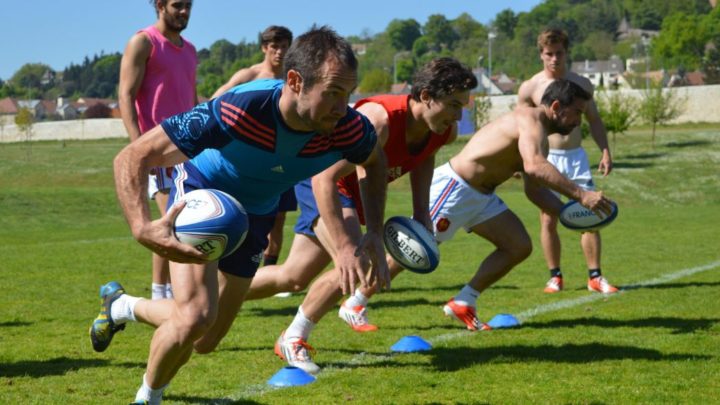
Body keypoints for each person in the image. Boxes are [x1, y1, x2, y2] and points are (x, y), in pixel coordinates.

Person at [88, 27, 389, 404]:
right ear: (294, 81)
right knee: (195, 316)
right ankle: (148, 397)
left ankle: (122, 306)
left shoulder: (347, 128)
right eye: (332, 92)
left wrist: (374, 231)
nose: (342, 106)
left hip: (257, 216)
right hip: (203, 194)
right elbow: (132, 157)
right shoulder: (239, 108)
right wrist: (140, 227)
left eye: (348, 93)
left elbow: (375, 162)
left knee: (205, 340)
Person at [247, 58, 477, 374]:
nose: (458, 115)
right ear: (425, 96)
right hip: (321, 179)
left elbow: (423, 156)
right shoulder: (379, 121)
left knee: (293, 276)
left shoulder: (443, 130)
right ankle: (293, 337)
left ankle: (219, 296)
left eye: (462, 106)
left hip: (350, 193)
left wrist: (421, 212)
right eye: (453, 104)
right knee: (358, 260)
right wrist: (353, 244)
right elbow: (323, 178)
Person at [517, 28, 618, 294]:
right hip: (547, 157)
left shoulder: (582, 84)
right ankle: (555, 276)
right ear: (541, 54)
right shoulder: (530, 87)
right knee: (548, 218)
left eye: (559, 53)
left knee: (590, 213)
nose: (554, 59)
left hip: (576, 158)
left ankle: (595, 277)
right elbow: (521, 125)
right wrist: (521, 161)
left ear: (566, 52)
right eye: (549, 54)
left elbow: (594, 120)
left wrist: (605, 150)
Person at [118, 0, 198, 300]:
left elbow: (192, 101)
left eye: (189, 5)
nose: (185, 11)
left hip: (188, 152)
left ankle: (167, 293)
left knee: (180, 221)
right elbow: (125, 95)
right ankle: (161, 294)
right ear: (160, 5)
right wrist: (139, 148)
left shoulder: (190, 50)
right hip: (157, 151)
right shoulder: (143, 42)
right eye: (178, 5)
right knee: (172, 222)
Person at [210, 25, 295, 270]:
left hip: (284, 159)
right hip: (247, 158)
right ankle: (226, 263)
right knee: (240, 212)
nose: (279, 52)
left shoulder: (293, 79)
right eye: (274, 46)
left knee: (278, 218)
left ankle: (268, 272)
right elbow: (216, 102)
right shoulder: (248, 76)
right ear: (264, 48)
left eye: (284, 46)